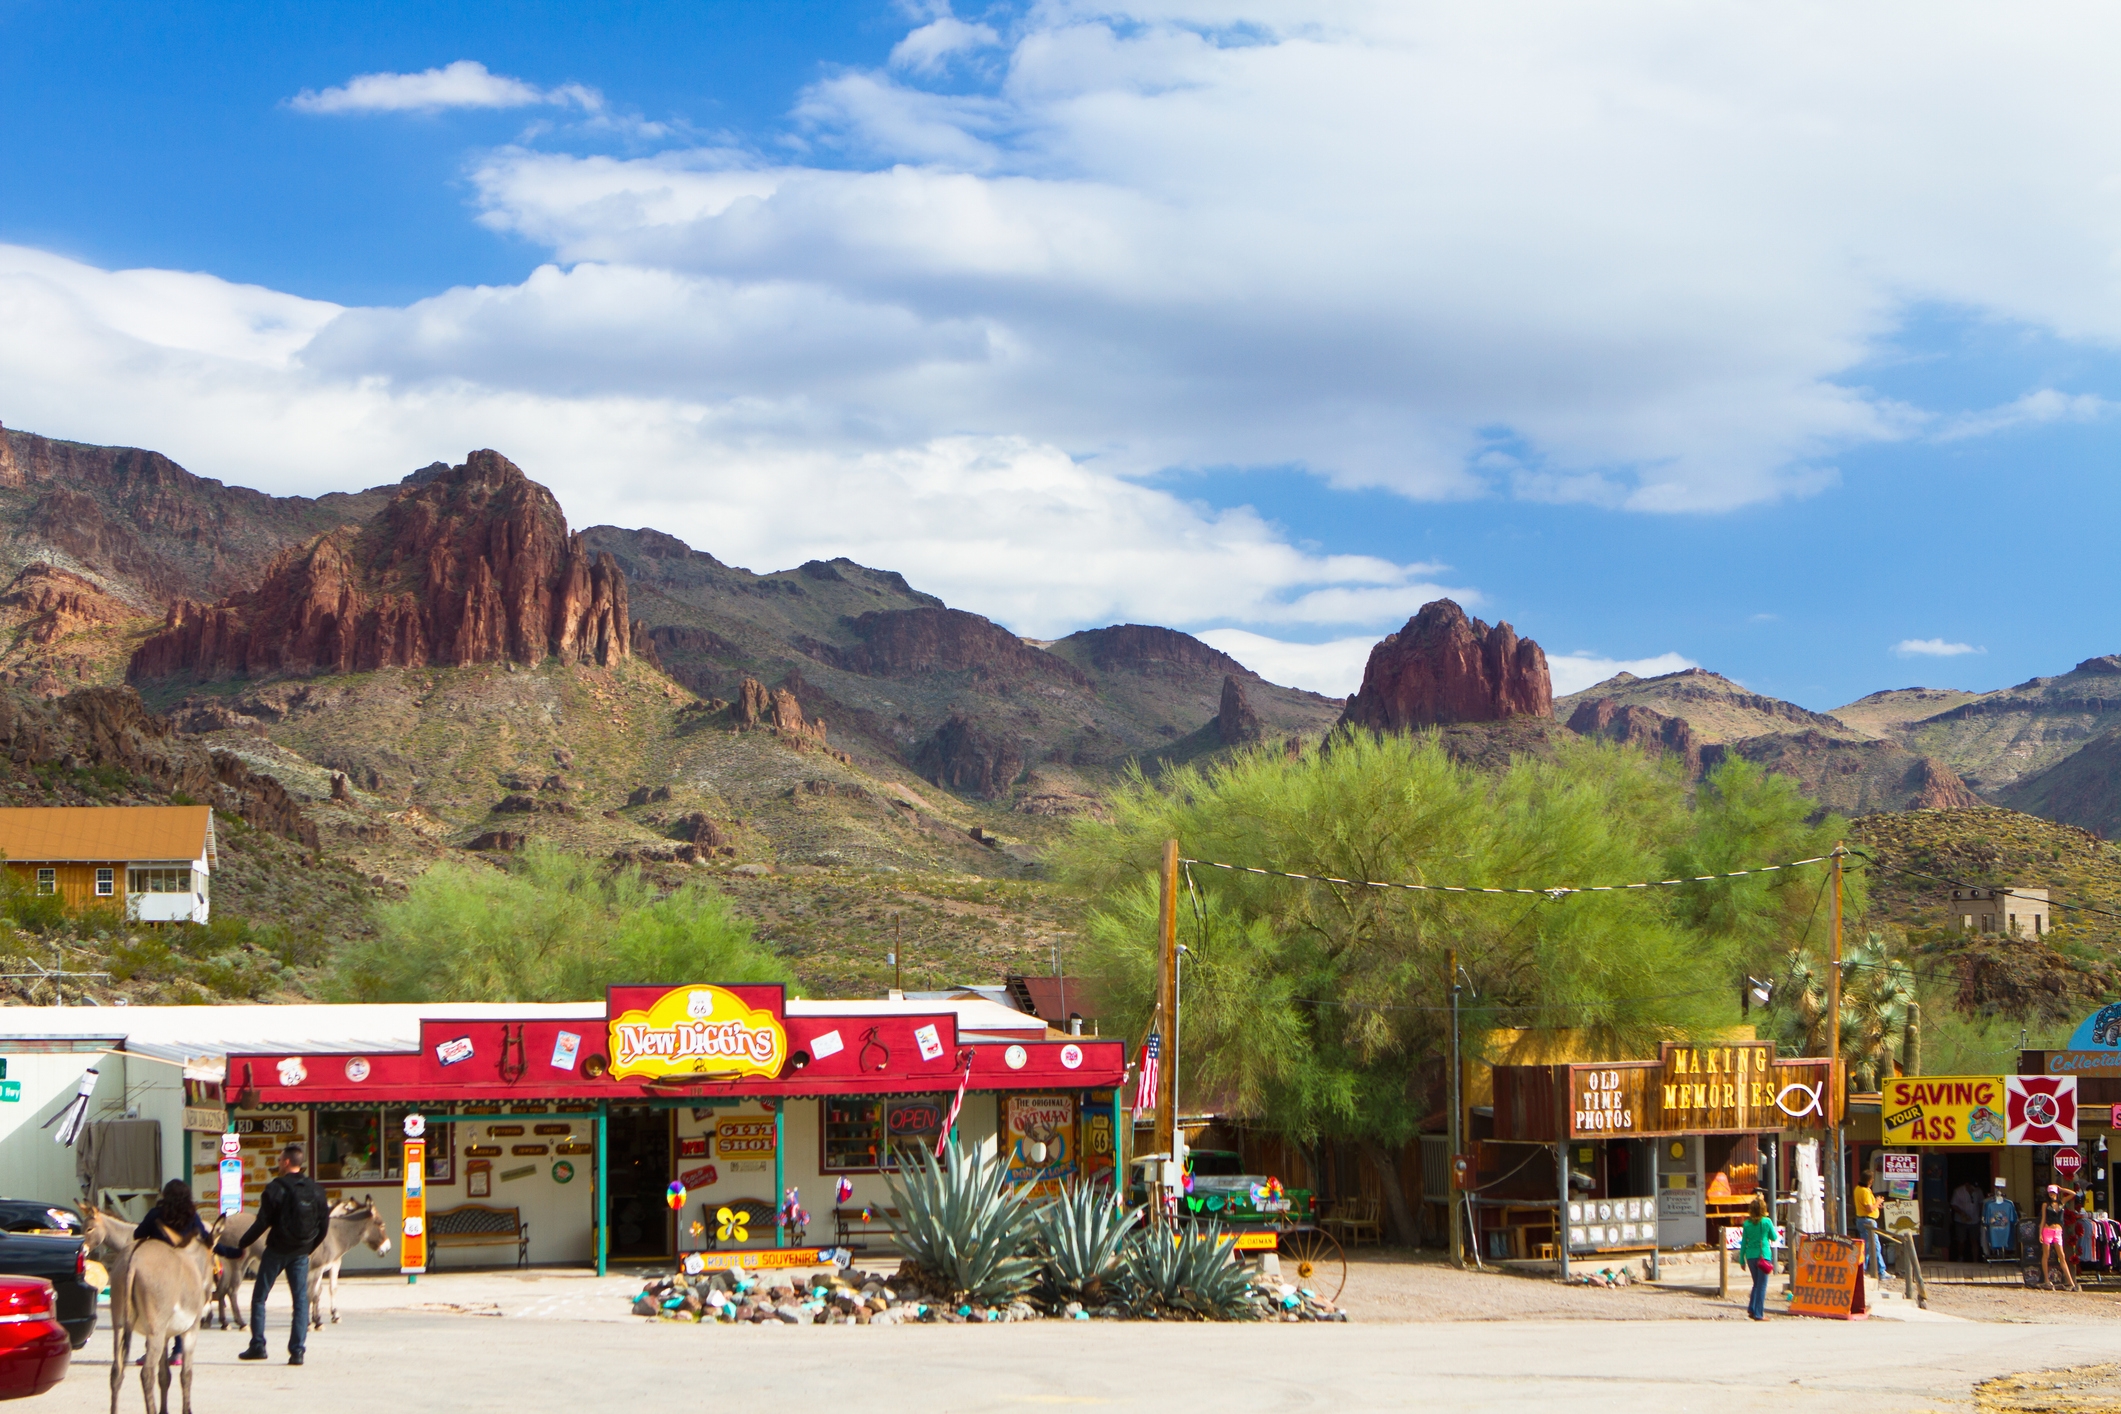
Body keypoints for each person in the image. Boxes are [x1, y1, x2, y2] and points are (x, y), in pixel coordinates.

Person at [218, 1143, 329, 1365]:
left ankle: (258, 1346)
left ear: (287, 1162)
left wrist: (243, 1243)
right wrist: (309, 1247)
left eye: (279, 1160)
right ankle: (297, 1352)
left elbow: (261, 1223)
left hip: (276, 1250)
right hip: (300, 1253)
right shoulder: (316, 1189)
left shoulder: (275, 1188)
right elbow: (323, 1225)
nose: (278, 1164)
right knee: (300, 1301)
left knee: (259, 1297)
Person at [132, 1181, 210, 1369]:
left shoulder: (155, 1214)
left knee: (157, 1310)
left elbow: (138, 1234)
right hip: (185, 1266)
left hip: (159, 1265)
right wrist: (229, 1252)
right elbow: (205, 1238)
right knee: (181, 1308)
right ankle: (178, 1352)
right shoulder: (191, 1215)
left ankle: (153, 1352)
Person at [1739, 1195, 1779, 1321]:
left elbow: (1743, 1242)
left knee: (1756, 1284)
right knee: (1762, 1285)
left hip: (1750, 1256)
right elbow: (1774, 1237)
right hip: (1764, 1256)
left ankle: (1752, 1308)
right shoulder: (1766, 1222)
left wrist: (1741, 1259)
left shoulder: (1746, 1224)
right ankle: (1758, 1313)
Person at [2037, 1184, 2080, 1292]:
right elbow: (2043, 1219)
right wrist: (2040, 1233)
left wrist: (2061, 1188)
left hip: (2058, 1231)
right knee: (2046, 1255)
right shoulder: (2045, 1204)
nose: (2052, 1194)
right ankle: (2047, 1280)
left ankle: (2071, 1282)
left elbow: (2073, 1194)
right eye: (2050, 1192)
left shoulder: (2062, 1202)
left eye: (2053, 1192)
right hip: (2047, 1230)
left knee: (2062, 1256)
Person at [1852, 1174, 1886, 1280]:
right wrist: (1878, 1202)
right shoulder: (1865, 1191)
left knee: (1869, 1246)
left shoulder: (1858, 1189)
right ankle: (1875, 1270)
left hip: (1862, 1219)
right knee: (1871, 1246)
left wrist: (1876, 1205)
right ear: (1870, 1181)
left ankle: (1878, 1270)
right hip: (1867, 1220)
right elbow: (1869, 1208)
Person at [1950, 1180, 1981, 1263]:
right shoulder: (1958, 1191)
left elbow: (1981, 1203)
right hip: (1961, 1220)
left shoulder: (1978, 1191)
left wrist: (1981, 1215)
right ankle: (1960, 1257)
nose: (1973, 1189)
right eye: (1971, 1187)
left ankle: (1975, 1260)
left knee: (1974, 1240)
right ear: (1967, 1185)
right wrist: (1962, 1213)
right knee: (1961, 1240)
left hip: (1975, 1220)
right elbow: (1953, 1204)